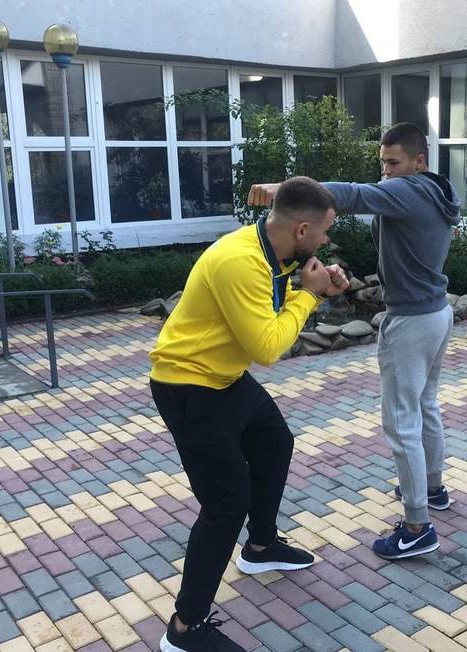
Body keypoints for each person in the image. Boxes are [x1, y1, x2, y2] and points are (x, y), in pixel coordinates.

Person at [150, 176, 349, 652]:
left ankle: (260, 546)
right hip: (189, 386)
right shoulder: (241, 261)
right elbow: (267, 347)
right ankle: (184, 629)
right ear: (302, 230)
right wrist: (310, 295)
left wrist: (318, 285)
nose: (326, 240)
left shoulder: (270, 250)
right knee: (225, 504)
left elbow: (270, 308)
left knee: (274, 441)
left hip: (222, 378)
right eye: (324, 231)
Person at [249, 122, 461, 560]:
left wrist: (288, 192)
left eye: (393, 162)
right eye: (382, 163)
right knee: (425, 406)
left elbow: (353, 195)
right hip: (435, 312)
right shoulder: (433, 191)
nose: (386, 172)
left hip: (412, 320)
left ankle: (417, 526)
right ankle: (432, 488)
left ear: (419, 162)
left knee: (401, 421)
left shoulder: (410, 190)